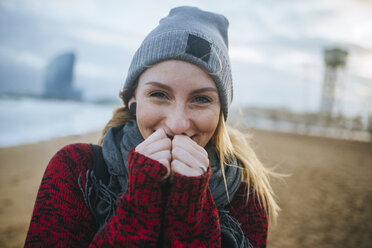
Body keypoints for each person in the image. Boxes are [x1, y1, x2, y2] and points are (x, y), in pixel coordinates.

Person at [25, 6, 279, 248]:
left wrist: (191, 211)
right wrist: (139, 203)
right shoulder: (77, 170)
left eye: (201, 99)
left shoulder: (246, 197)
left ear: (220, 113)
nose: (178, 124)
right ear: (133, 99)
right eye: (159, 94)